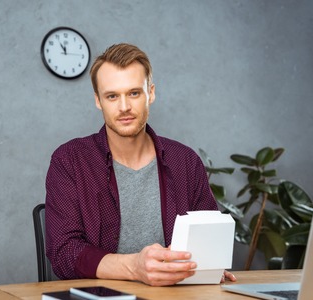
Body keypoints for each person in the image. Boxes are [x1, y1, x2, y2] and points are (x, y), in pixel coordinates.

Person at [45, 43, 236, 286]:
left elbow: (208, 239)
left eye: (134, 93)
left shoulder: (185, 162)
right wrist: (134, 267)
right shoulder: (69, 161)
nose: (124, 107)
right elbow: (64, 253)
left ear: (151, 93)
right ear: (98, 101)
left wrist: (209, 265)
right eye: (112, 96)